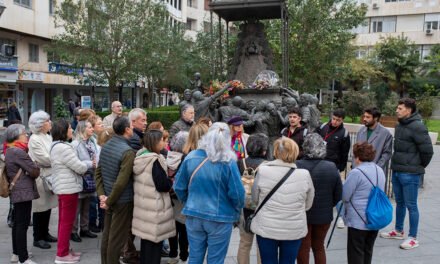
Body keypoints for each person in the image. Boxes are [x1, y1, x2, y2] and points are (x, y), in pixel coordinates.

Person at [174, 122, 245, 264]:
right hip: (220, 217)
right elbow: (237, 194)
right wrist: (236, 211)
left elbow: (179, 187)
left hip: (194, 214)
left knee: (194, 256)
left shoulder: (191, 156)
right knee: (216, 259)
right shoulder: (228, 161)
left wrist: (189, 201)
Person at [380, 98, 434, 250]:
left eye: (400, 108)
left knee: (411, 205)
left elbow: (428, 151)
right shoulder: (400, 125)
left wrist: (417, 166)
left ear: (409, 110)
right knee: (400, 203)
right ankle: (398, 230)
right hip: (397, 171)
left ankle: (413, 237)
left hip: (410, 173)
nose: (397, 110)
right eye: (397, 108)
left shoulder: (418, 126)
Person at [251, 137, 314, 264]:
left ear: (275, 152)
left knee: (268, 261)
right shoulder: (304, 174)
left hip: (266, 227)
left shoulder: (263, 171)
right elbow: (308, 204)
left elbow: (255, 198)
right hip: (293, 228)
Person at [50, 119, 94, 263]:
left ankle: (65, 250)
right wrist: (90, 163)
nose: (72, 130)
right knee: (66, 223)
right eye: (69, 128)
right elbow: (80, 167)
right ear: (63, 131)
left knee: (65, 221)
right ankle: (62, 255)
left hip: (64, 187)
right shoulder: (64, 148)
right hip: (68, 188)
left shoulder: (56, 146)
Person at [296, 134, 342, 264]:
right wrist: (328, 205)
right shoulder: (331, 167)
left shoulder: (297, 165)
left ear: (305, 147)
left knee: (303, 247)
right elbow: (338, 194)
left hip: (302, 213)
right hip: (324, 215)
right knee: (319, 247)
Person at [95, 116, 135, 264]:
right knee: (116, 239)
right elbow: (121, 182)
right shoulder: (128, 152)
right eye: (131, 126)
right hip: (121, 200)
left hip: (108, 198)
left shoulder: (106, 145)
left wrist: (102, 196)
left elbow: (98, 173)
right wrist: (108, 200)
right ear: (127, 130)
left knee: (107, 236)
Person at [132, 130, 175, 264]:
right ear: (156, 142)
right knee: (155, 244)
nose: (165, 142)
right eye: (163, 139)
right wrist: (170, 182)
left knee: (146, 242)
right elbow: (162, 185)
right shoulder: (155, 160)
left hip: (144, 207)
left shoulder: (140, 157)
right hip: (155, 208)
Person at [342, 142, 385, 264]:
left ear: (357, 157)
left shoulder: (356, 172)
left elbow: (345, 196)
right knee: (368, 250)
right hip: (375, 218)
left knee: (356, 252)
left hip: (358, 220)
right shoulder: (379, 170)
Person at [5, 124, 40, 264]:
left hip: (18, 190)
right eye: (24, 133)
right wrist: (34, 165)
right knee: (22, 225)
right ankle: (23, 258)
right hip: (22, 191)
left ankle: (16, 253)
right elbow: (34, 171)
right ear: (16, 136)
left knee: (17, 223)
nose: (27, 136)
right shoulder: (18, 152)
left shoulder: (10, 149)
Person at [27, 111, 58, 250]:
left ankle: (45, 233)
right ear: (40, 124)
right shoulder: (34, 138)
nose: (50, 122)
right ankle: (37, 237)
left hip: (50, 175)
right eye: (47, 120)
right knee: (40, 208)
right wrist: (57, 159)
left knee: (48, 207)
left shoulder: (47, 136)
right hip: (40, 177)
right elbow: (44, 158)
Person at [236, 133, 269, 264]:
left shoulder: (240, 163)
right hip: (262, 208)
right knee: (262, 245)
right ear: (264, 150)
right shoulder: (268, 165)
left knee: (244, 243)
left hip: (244, 208)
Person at [122, 108, 147, 264]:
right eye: (142, 120)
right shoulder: (134, 139)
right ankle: (127, 253)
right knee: (129, 223)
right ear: (132, 122)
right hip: (130, 187)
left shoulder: (138, 136)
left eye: (145, 120)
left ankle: (128, 251)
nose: (145, 123)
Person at [70, 121, 99, 242]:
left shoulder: (92, 142)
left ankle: (84, 228)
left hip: (91, 178)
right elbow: (74, 161)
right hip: (80, 177)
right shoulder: (75, 144)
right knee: (77, 207)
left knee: (87, 205)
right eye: (90, 127)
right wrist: (89, 164)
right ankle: (73, 231)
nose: (92, 129)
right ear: (82, 129)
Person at [167, 131, 190, 264]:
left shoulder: (166, 156)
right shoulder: (186, 159)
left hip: (168, 199)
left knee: (172, 228)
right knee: (184, 229)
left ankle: (172, 254)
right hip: (181, 198)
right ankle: (183, 256)